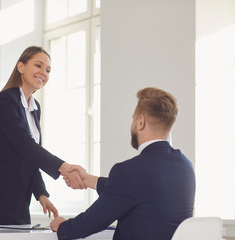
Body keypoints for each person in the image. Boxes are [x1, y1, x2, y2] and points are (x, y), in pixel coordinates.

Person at [50, 87, 196, 240]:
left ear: (141, 122)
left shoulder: (129, 171)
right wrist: (88, 179)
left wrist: (63, 226)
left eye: (133, 118)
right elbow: (141, 190)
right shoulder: (186, 166)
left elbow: (90, 222)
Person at [0, 46, 86, 225]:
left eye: (48, 70)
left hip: (17, 199)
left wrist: (41, 194)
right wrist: (64, 167)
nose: (44, 73)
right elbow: (25, 145)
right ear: (21, 67)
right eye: (38, 66)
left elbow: (31, 156)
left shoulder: (34, 108)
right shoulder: (5, 101)